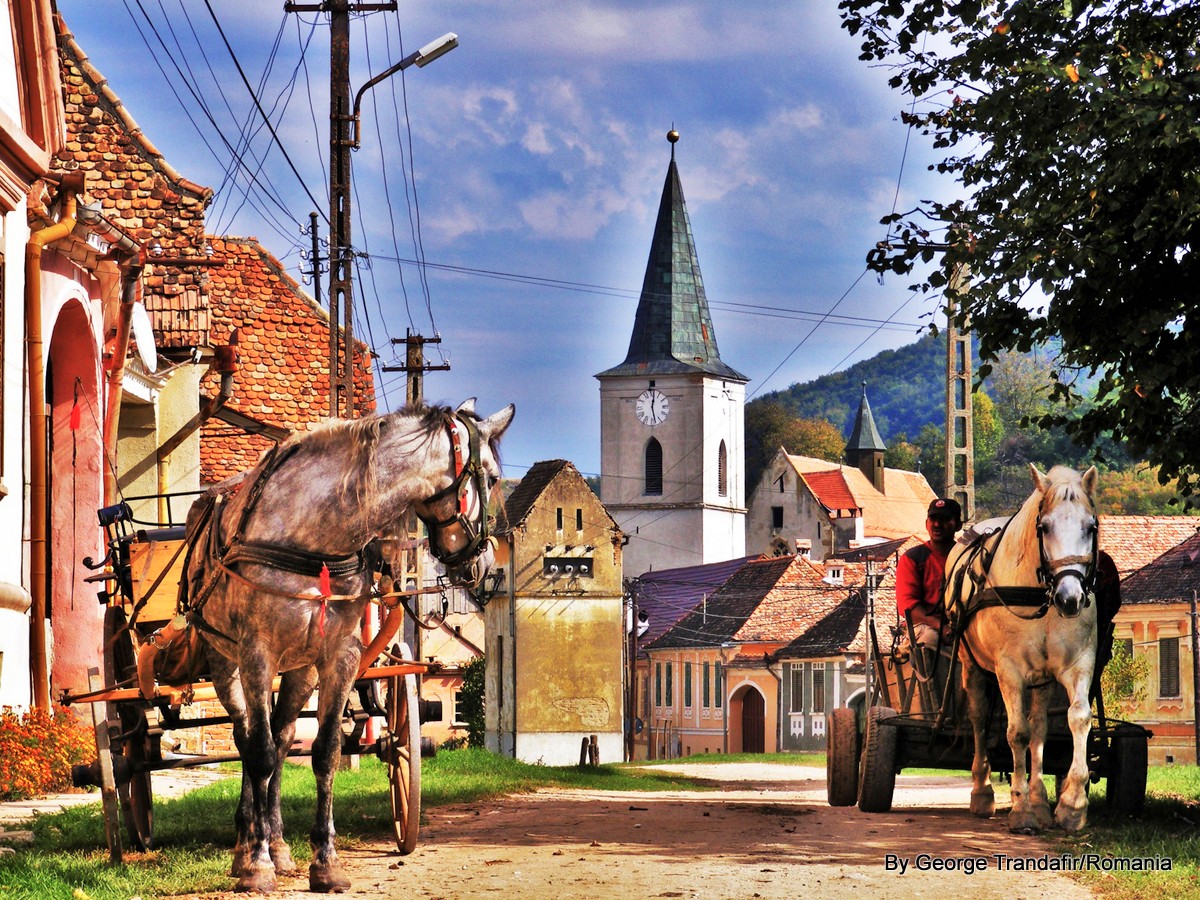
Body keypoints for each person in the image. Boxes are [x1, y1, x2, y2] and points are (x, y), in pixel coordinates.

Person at [895, 497, 963, 657]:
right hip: (925, 626)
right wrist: (942, 627)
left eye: (945, 519)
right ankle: (935, 683)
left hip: (962, 626)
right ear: (927, 523)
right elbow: (909, 607)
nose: (937, 525)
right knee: (930, 641)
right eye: (933, 519)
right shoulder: (913, 558)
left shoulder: (966, 556)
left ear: (958, 525)